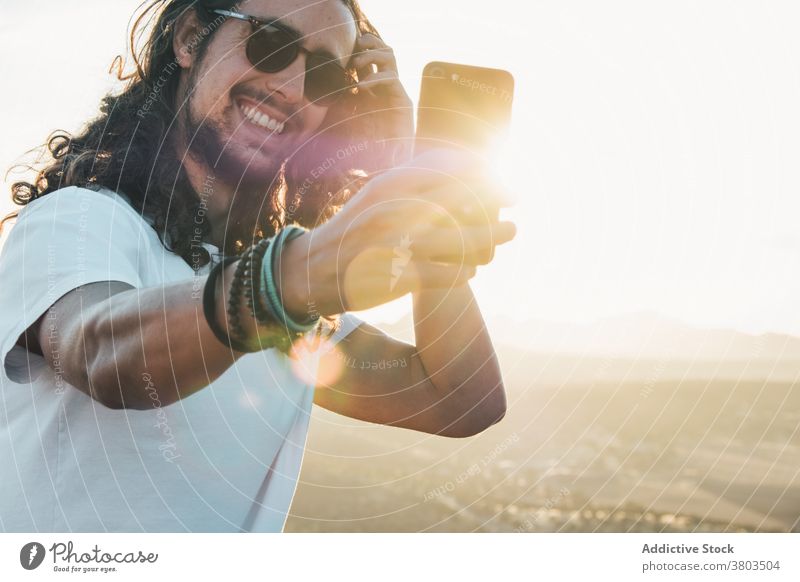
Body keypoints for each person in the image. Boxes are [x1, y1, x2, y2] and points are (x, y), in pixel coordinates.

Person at [0, 0, 515, 532]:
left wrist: (422, 204)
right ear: (191, 38)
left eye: (324, 75)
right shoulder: (77, 220)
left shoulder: (281, 298)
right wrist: (300, 275)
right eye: (270, 44)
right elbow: (106, 353)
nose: (291, 89)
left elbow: (456, 400)